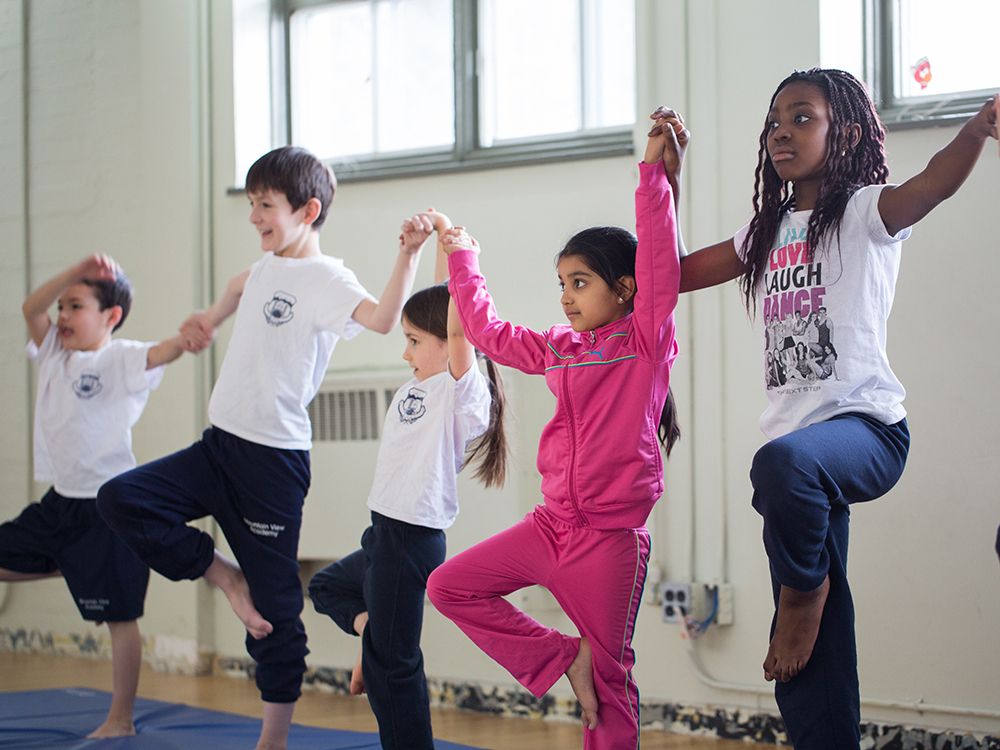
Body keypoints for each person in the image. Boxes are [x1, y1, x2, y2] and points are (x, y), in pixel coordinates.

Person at [668, 69, 998, 748]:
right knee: (811, 649)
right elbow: (669, 276)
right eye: (773, 122)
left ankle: (800, 594)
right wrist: (663, 183)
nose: (780, 132)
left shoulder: (863, 211)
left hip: (866, 432)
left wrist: (974, 130)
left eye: (801, 118)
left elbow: (929, 185)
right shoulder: (763, 234)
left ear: (844, 132)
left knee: (783, 471)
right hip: (802, 466)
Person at [96, 146, 427, 750]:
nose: (254, 216)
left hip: (271, 465)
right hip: (217, 448)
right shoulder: (267, 265)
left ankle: (271, 741)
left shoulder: (327, 279)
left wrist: (407, 253)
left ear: (308, 210)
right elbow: (238, 285)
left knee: (275, 609)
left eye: (265, 206)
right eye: (250, 204)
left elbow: (381, 319)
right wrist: (211, 316)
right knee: (120, 499)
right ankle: (222, 575)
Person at [425, 120, 681, 750]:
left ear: (625, 289)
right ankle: (564, 658)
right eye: (562, 284)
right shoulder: (559, 349)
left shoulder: (645, 340)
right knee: (448, 585)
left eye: (580, 282)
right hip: (549, 527)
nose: (566, 297)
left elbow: (657, 256)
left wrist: (652, 175)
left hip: (607, 543)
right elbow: (488, 333)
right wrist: (464, 259)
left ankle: (590, 674)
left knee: (612, 680)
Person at [308, 210, 508, 750]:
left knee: (392, 669)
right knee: (326, 586)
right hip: (382, 533)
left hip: (411, 539)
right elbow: (444, 300)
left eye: (415, 340)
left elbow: (460, 317)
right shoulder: (422, 381)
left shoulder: (462, 394)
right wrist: (442, 228)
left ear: (447, 342)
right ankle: (371, 624)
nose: (406, 352)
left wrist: (468, 260)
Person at [1, 254, 193, 737]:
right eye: (62, 307)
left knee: (120, 618)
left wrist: (189, 337)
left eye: (76, 306)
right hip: (60, 504)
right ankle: (69, 562)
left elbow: (163, 352)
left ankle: (120, 719)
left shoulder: (120, 357)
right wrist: (72, 273)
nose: (62, 316)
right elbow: (30, 306)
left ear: (110, 316)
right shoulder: (52, 353)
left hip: (110, 508)